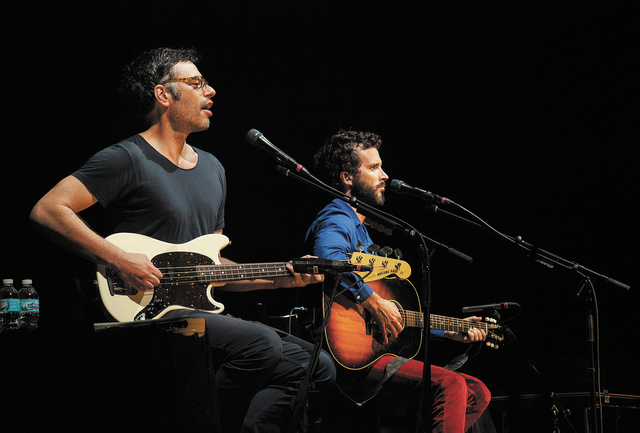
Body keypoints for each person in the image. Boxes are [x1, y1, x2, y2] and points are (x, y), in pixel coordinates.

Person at [29, 47, 336, 433]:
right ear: (163, 94)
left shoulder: (213, 168)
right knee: (261, 345)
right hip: (145, 311)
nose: (211, 91)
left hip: (197, 311)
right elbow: (48, 210)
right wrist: (118, 258)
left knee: (317, 366)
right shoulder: (127, 157)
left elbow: (212, 268)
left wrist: (283, 278)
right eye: (197, 83)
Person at [305, 129, 491, 432]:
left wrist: (449, 331)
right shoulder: (336, 217)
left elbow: (396, 314)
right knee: (452, 385)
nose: (385, 175)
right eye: (374, 167)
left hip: (375, 353)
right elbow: (329, 260)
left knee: (476, 391)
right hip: (348, 359)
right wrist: (372, 300)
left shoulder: (361, 228)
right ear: (347, 177)